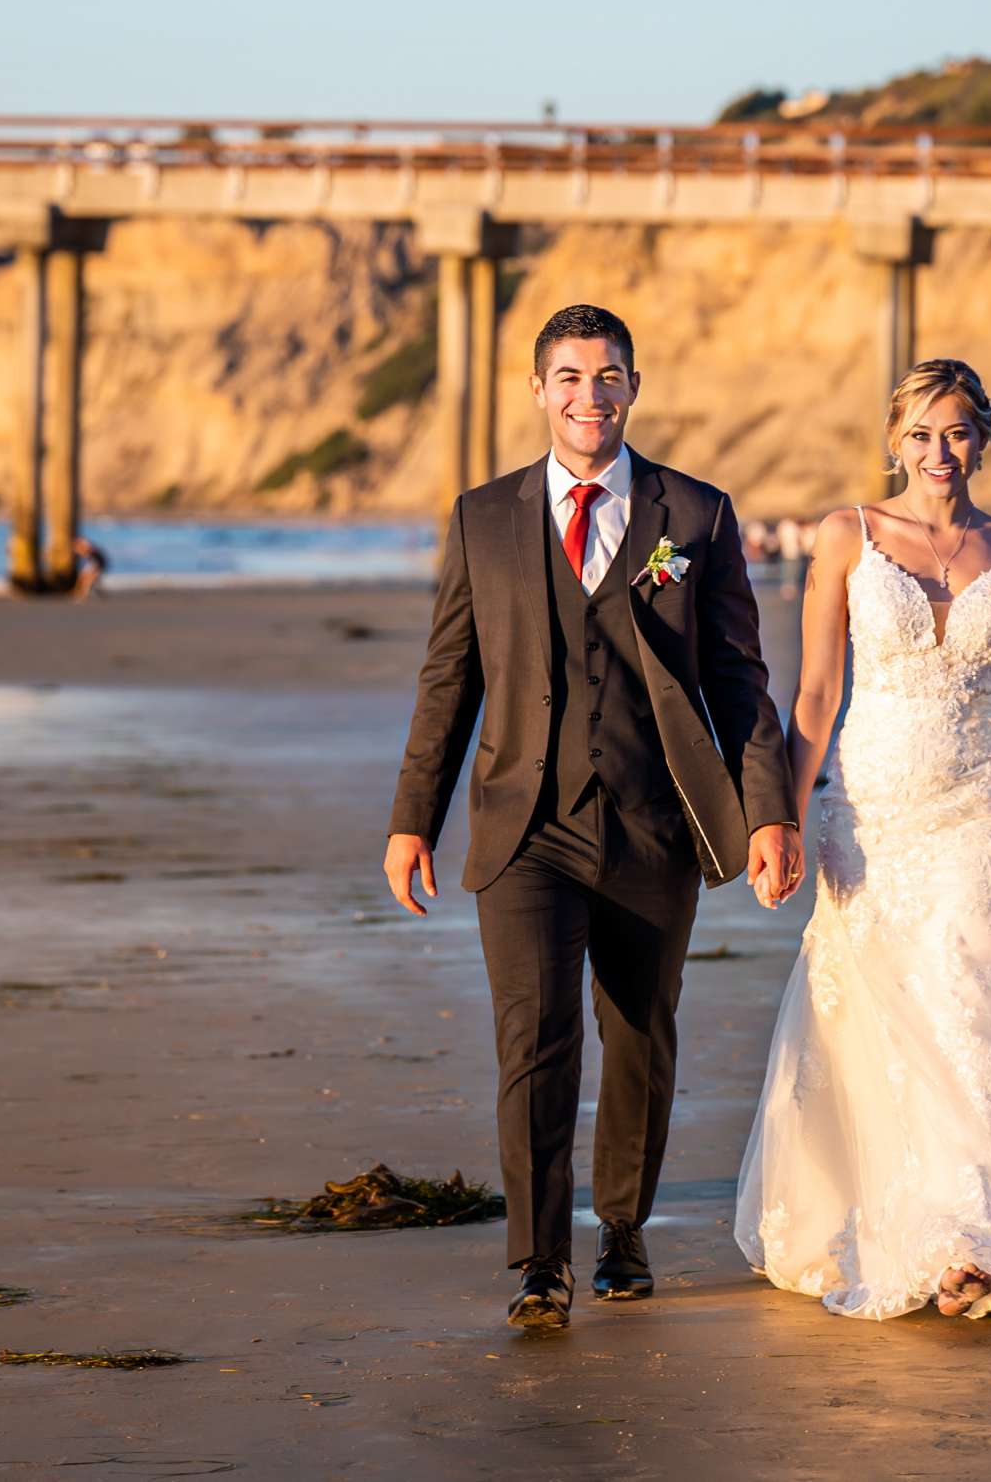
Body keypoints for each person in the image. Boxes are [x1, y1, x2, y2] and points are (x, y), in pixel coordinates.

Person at [383, 304, 800, 1333]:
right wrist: (411, 819)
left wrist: (769, 812)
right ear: (538, 391)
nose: (590, 395)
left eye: (608, 375)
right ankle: (540, 1262)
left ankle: (621, 1228)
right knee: (536, 1039)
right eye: (569, 376)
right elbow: (450, 678)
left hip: (654, 823)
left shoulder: (693, 516)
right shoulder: (484, 518)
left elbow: (740, 677)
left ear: (633, 388)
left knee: (640, 1038)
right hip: (523, 824)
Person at [735, 358, 991, 1325]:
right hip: (870, 811)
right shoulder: (847, 538)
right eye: (919, 434)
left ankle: (970, 1242)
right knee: (888, 1025)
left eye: (956, 432)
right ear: (893, 441)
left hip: (982, 809)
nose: (938, 453)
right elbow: (815, 694)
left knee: (972, 1003)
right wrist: (777, 816)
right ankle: (932, 1230)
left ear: (981, 436)